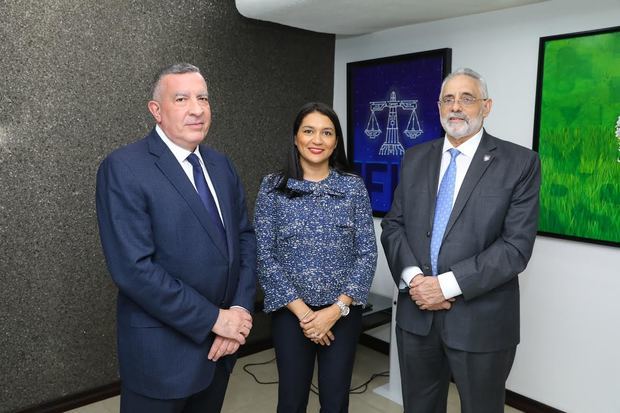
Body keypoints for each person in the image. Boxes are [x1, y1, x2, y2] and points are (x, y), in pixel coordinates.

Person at [96, 63, 256, 413]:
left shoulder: (221, 165)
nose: (197, 109)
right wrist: (216, 319)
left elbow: (244, 238)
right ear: (156, 110)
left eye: (203, 98)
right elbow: (134, 269)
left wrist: (239, 312)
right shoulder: (124, 168)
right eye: (181, 99)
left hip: (221, 348)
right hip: (162, 357)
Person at [381, 68, 541, 413]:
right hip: (416, 316)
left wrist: (446, 286)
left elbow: (515, 248)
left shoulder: (519, 163)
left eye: (467, 98)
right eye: (448, 99)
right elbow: (393, 225)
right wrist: (416, 281)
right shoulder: (414, 158)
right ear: (438, 106)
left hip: (480, 322)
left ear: (487, 106)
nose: (456, 107)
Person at [254, 102, 377, 413]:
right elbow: (264, 255)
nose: (317, 140)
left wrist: (335, 310)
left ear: (336, 142)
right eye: (308, 131)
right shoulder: (273, 188)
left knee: (336, 401)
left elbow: (367, 253)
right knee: (292, 400)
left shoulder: (353, 187)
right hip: (291, 314)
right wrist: (307, 316)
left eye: (327, 132)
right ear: (296, 137)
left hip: (342, 314)